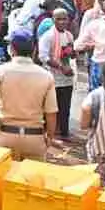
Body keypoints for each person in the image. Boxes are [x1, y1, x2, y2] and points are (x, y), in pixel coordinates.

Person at [0, 30, 57, 160]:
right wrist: (49, 137)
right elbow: (51, 113)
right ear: (34, 50)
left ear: (12, 49)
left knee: (3, 172)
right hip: (34, 138)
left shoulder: (0, 70)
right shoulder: (46, 76)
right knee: (32, 173)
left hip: (5, 136)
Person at [37, 7, 76, 138]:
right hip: (52, 77)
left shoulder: (69, 35)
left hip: (67, 78)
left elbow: (71, 54)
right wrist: (61, 67)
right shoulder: (48, 36)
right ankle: (49, 133)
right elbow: (43, 57)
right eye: (59, 19)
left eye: (65, 19)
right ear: (53, 20)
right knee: (51, 107)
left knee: (65, 107)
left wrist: (73, 53)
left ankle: (63, 132)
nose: (62, 22)